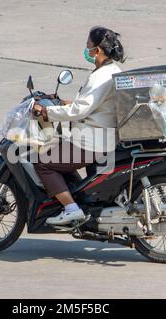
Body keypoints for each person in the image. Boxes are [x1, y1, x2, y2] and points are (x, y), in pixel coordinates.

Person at [32, 26, 125, 225]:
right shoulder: (111, 70)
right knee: (59, 155)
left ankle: (71, 208)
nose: (87, 50)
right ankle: (77, 199)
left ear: (97, 50)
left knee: (43, 163)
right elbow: (90, 105)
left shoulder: (100, 77)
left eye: (88, 46)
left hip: (91, 142)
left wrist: (47, 111)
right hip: (101, 136)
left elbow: (80, 111)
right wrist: (63, 102)